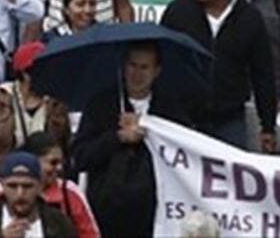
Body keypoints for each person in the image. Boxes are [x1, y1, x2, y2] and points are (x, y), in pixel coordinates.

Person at [160, 0, 277, 151]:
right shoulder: (177, 13)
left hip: (229, 123)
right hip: (183, 123)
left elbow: (263, 74)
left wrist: (268, 126)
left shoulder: (249, 18)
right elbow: (161, 65)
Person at [72, 42, 191, 238]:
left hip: (153, 213)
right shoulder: (101, 104)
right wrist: (117, 137)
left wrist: (148, 128)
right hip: (107, 210)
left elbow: (184, 151)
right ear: (123, 67)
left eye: (144, 67)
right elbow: (81, 157)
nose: (137, 74)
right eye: (132, 65)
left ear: (156, 71)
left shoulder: (170, 108)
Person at [0, 41, 68, 217]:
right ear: (25, 73)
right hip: (7, 180)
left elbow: (65, 145)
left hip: (47, 182)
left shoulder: (56, 101)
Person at [0, 150, 76, 238]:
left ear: (39, 185)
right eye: (12, 186)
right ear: (2, 184)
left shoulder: (59, 223)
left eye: (27, 186)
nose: (20, 194)